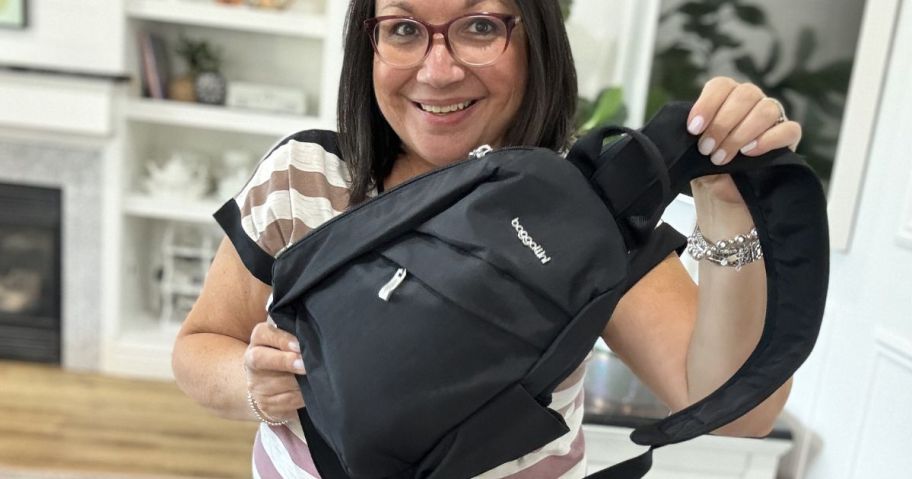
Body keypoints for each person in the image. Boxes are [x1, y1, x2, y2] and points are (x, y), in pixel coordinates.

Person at [172, 0, 804, 477]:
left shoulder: (584, 218)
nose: (437, 70)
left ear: (535, 42)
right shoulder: (306, 175)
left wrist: (727, 208)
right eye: (403, 29)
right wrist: (256, 385)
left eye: (479, 26)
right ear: (368, 46)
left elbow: (739, 412)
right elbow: (199, 347)